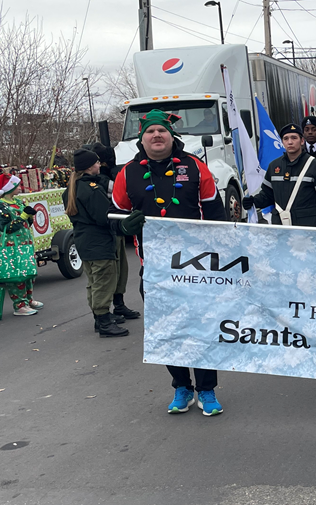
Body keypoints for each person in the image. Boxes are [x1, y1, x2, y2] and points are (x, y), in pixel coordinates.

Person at [112, 109, 228, 416]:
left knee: (202, 328)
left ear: (170, 135)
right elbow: (114, 217)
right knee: (168, 329)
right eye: (150, 132)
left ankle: (207, 389)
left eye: (161, 131)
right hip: (155, 269)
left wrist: (221, 257)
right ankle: (181, 386)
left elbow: (217, 215)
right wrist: (124, 226)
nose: (156, 136)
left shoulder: (195, 167)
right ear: (142, 137)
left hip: (198, 266)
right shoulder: (128, 173)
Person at [63, 149, 144, 337]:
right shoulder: (91, 188)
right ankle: (104, 321)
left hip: (84, 241)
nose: (100, 165)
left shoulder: (73, 188)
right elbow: (103, 216)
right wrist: (123, 223)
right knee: (103, 281)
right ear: (90, 166)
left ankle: (100, 318)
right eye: (97, 163)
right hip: (98, 241)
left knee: (93, 280)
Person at [243, 123, 316, 227]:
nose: (290, 142)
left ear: (302, 141)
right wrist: (253, 201)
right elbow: (268, 195)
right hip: (281, 227)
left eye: (294, 138)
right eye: (286, 138)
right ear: (282, 142)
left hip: (308, 228)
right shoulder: (274, 166)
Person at [88, 143, 141, 322]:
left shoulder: (105, 177)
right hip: (103, 233)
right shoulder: (94, 183)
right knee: (104, 276)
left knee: (121, 270)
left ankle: (118, 304)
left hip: (113, 231)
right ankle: (102, 315)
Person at [0, 173, 44, 316]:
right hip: (12, 245)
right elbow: (6, 227)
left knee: (29, 271)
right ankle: (19, 304)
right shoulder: (1, 205)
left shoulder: (18, 202)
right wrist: (22, 217)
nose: (19, 188)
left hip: (25, 243)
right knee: (17, 274)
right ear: (9, 188)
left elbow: (26, 223)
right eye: (16, 185)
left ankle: (28, 299)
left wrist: (29, 216)